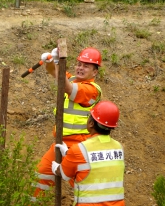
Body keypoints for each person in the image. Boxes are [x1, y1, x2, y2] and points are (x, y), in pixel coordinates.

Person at [32, 47, 103, 201]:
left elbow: (66, 87)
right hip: (59, 143)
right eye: (79, 64)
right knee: (41, 173)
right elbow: (56, 74)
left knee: (82, 186)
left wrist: (58, 62)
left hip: (79, 146)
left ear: (95, 72)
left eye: (86, 66)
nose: (80, 68)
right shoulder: (71, 79)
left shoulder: (91, 90)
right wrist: (51, 62)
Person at [52, 100, 125, 206]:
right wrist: (68, 153)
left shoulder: (80, 149)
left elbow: (64, 173)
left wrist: (56, 168)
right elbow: (98, 166)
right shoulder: (119, 148)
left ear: (91, 123)